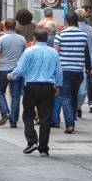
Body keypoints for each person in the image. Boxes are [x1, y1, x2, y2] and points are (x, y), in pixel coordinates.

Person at [9, 28, 63, 157]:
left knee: (28, 114)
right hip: (48, 86)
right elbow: (59, 71)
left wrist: (11, 76)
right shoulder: (53, 52)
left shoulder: (29, 51)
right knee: (45, 117)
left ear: (34, 38)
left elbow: (21, 69)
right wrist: (58, 85)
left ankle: (32, 140)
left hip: (32, 86)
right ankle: (44, 148)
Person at [54, 13, 89, 134]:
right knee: (74, 96)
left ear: (67, 22)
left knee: (65, 97)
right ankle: (72, 117)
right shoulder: (83, 36)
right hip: (78, 71)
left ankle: (69, 124)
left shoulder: (60, 35)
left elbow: (55, 54)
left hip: (64, 70)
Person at [0, 18, 28, 128]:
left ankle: (5, 112)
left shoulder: (1, 39)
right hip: (17, 70)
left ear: (5, 27)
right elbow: (25, 55)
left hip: (3, 69)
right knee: (16, 96)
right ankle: (13, 120)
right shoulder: (22, 39)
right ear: (15, 26)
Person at [76, 8, 92, 114]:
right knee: (89, 82)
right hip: (88, 59)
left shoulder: (71, 29)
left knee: (76, 84)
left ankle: (77, 105)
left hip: (75, 59)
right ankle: (91, 102)